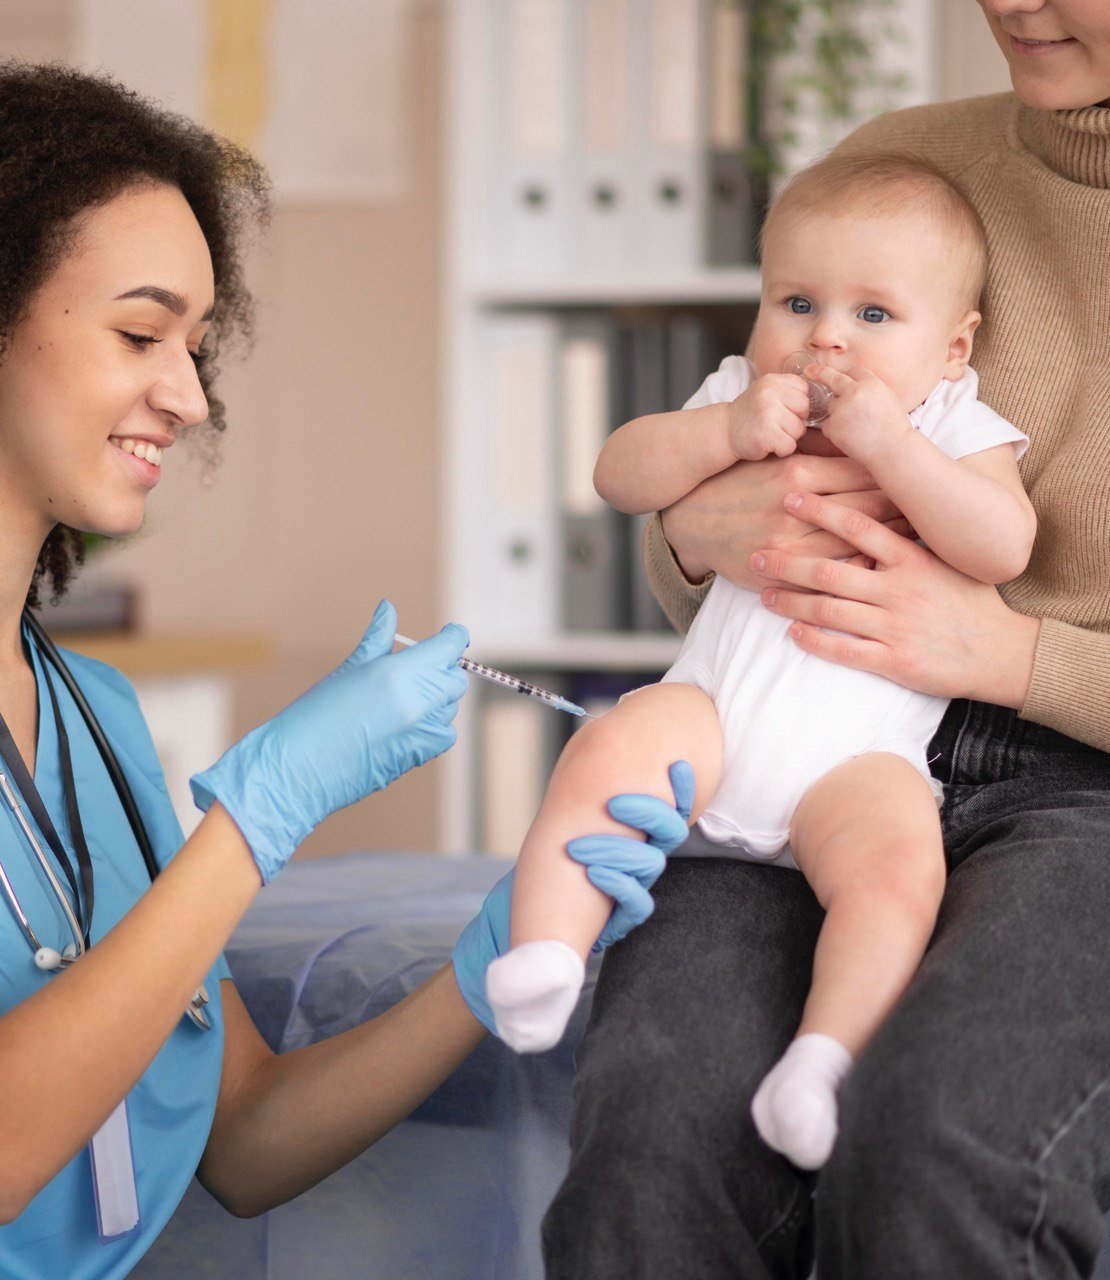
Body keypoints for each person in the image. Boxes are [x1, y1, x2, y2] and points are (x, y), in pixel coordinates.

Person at [542, 0, 1110, 1276]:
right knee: (655, 1137)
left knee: (941, 1133)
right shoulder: (908, 170)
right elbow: (721, 519)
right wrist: (705, 532)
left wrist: (1010, 656)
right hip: (828, 731)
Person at [0, 62, 691, 1280]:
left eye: (198, 346)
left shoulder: (93, 720)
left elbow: (246, 1135)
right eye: (140, 332)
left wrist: (493, 957)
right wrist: (253, 824)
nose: (189, 396)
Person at [484, 152, 1033, 1175]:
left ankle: (819, 1063)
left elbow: (1001, 545)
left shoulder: (950, 423)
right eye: (794, 300)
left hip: (854, 764)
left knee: (898, 877)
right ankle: (546, 952)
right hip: (712, 721)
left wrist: (894, 450)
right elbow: (615, 471)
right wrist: (723, 430)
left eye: (873, 315)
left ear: (951, 347)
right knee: (613, 743)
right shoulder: (741, 390)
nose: (824, 334)